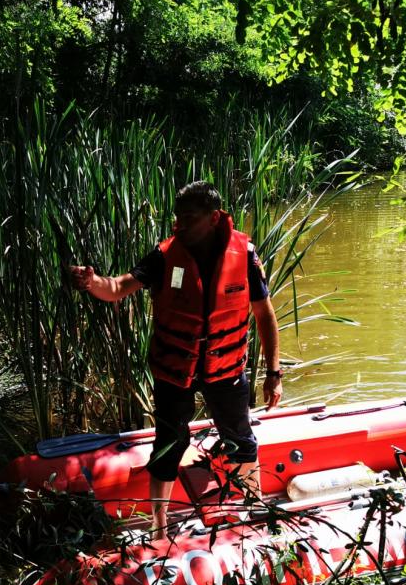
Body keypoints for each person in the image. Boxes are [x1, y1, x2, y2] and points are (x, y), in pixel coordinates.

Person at [70, 181, 282, 540]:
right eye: (178, 217)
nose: (181, 224)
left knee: (240, 440)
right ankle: (159, 528)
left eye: (190, 217)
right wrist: (92, 283)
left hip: (225, 367)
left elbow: (264, 314)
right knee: (168, 446)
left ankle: (253, 512)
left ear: (214, 217)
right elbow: (118, 288)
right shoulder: (166, 255)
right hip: (174, 369)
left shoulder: (244, 254)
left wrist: (274, 372)